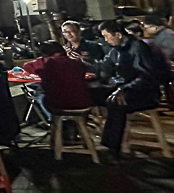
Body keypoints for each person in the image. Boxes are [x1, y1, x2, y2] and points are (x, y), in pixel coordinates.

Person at [96, 20, 163, 161]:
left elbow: (147, 76)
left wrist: (124, 89)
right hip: (122, 88)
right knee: (96, 95)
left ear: (118, 35)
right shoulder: (116, 49)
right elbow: (104, 66)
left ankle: (113, 149)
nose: (106, 40)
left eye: (107, 36)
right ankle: (104, 143)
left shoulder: (138, 47)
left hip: (144, 92)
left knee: (117, 103)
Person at [22, 41, 91, 119]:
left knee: (39, 94)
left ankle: (52, 121)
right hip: (84, 101)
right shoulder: (76, 62)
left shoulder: (50, 63)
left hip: (61, 104)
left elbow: (46, 85)